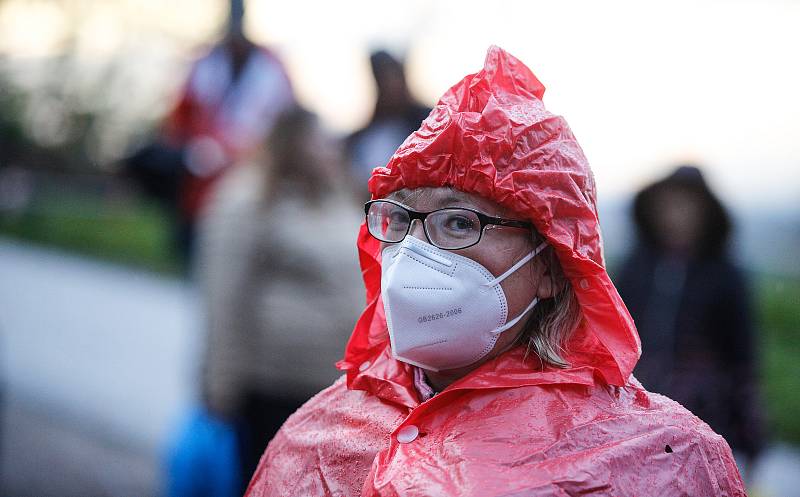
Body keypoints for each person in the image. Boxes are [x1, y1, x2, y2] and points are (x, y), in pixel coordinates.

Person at [245, 47, 746, 496]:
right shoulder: (319, 434)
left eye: (458, 222)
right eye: (398, 219)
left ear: (551, 264)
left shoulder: (660, 460)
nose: (414, 252)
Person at [196, 107, 364, 489]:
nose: (331, 150)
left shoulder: (336, 199)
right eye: (320, 140)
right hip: (270, 388)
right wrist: (220, 387)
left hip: (332, 388)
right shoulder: (249, 198)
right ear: (293, 143)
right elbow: (223, 295)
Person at [125, 0, 294, 263]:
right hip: (198, 187)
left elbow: (287, 126)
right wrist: (194, 151)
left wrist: (240, 152)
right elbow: (178, 122)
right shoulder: (204, 62)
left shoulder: (272, 67)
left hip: (249, 180)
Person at [616, 165, 764, 466]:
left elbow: (741, 354)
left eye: (686, 205)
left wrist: (750, 429)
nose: (675, 214)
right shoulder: (636, 268)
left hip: (707, 412)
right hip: (639, 408)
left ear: (706, 213)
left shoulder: (724, 274)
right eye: (668, 205)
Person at [345, 50, 431, 198]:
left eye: (393, 77)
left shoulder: (428, 122)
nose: (391, 86)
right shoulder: (363, 138)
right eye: (384, 79)